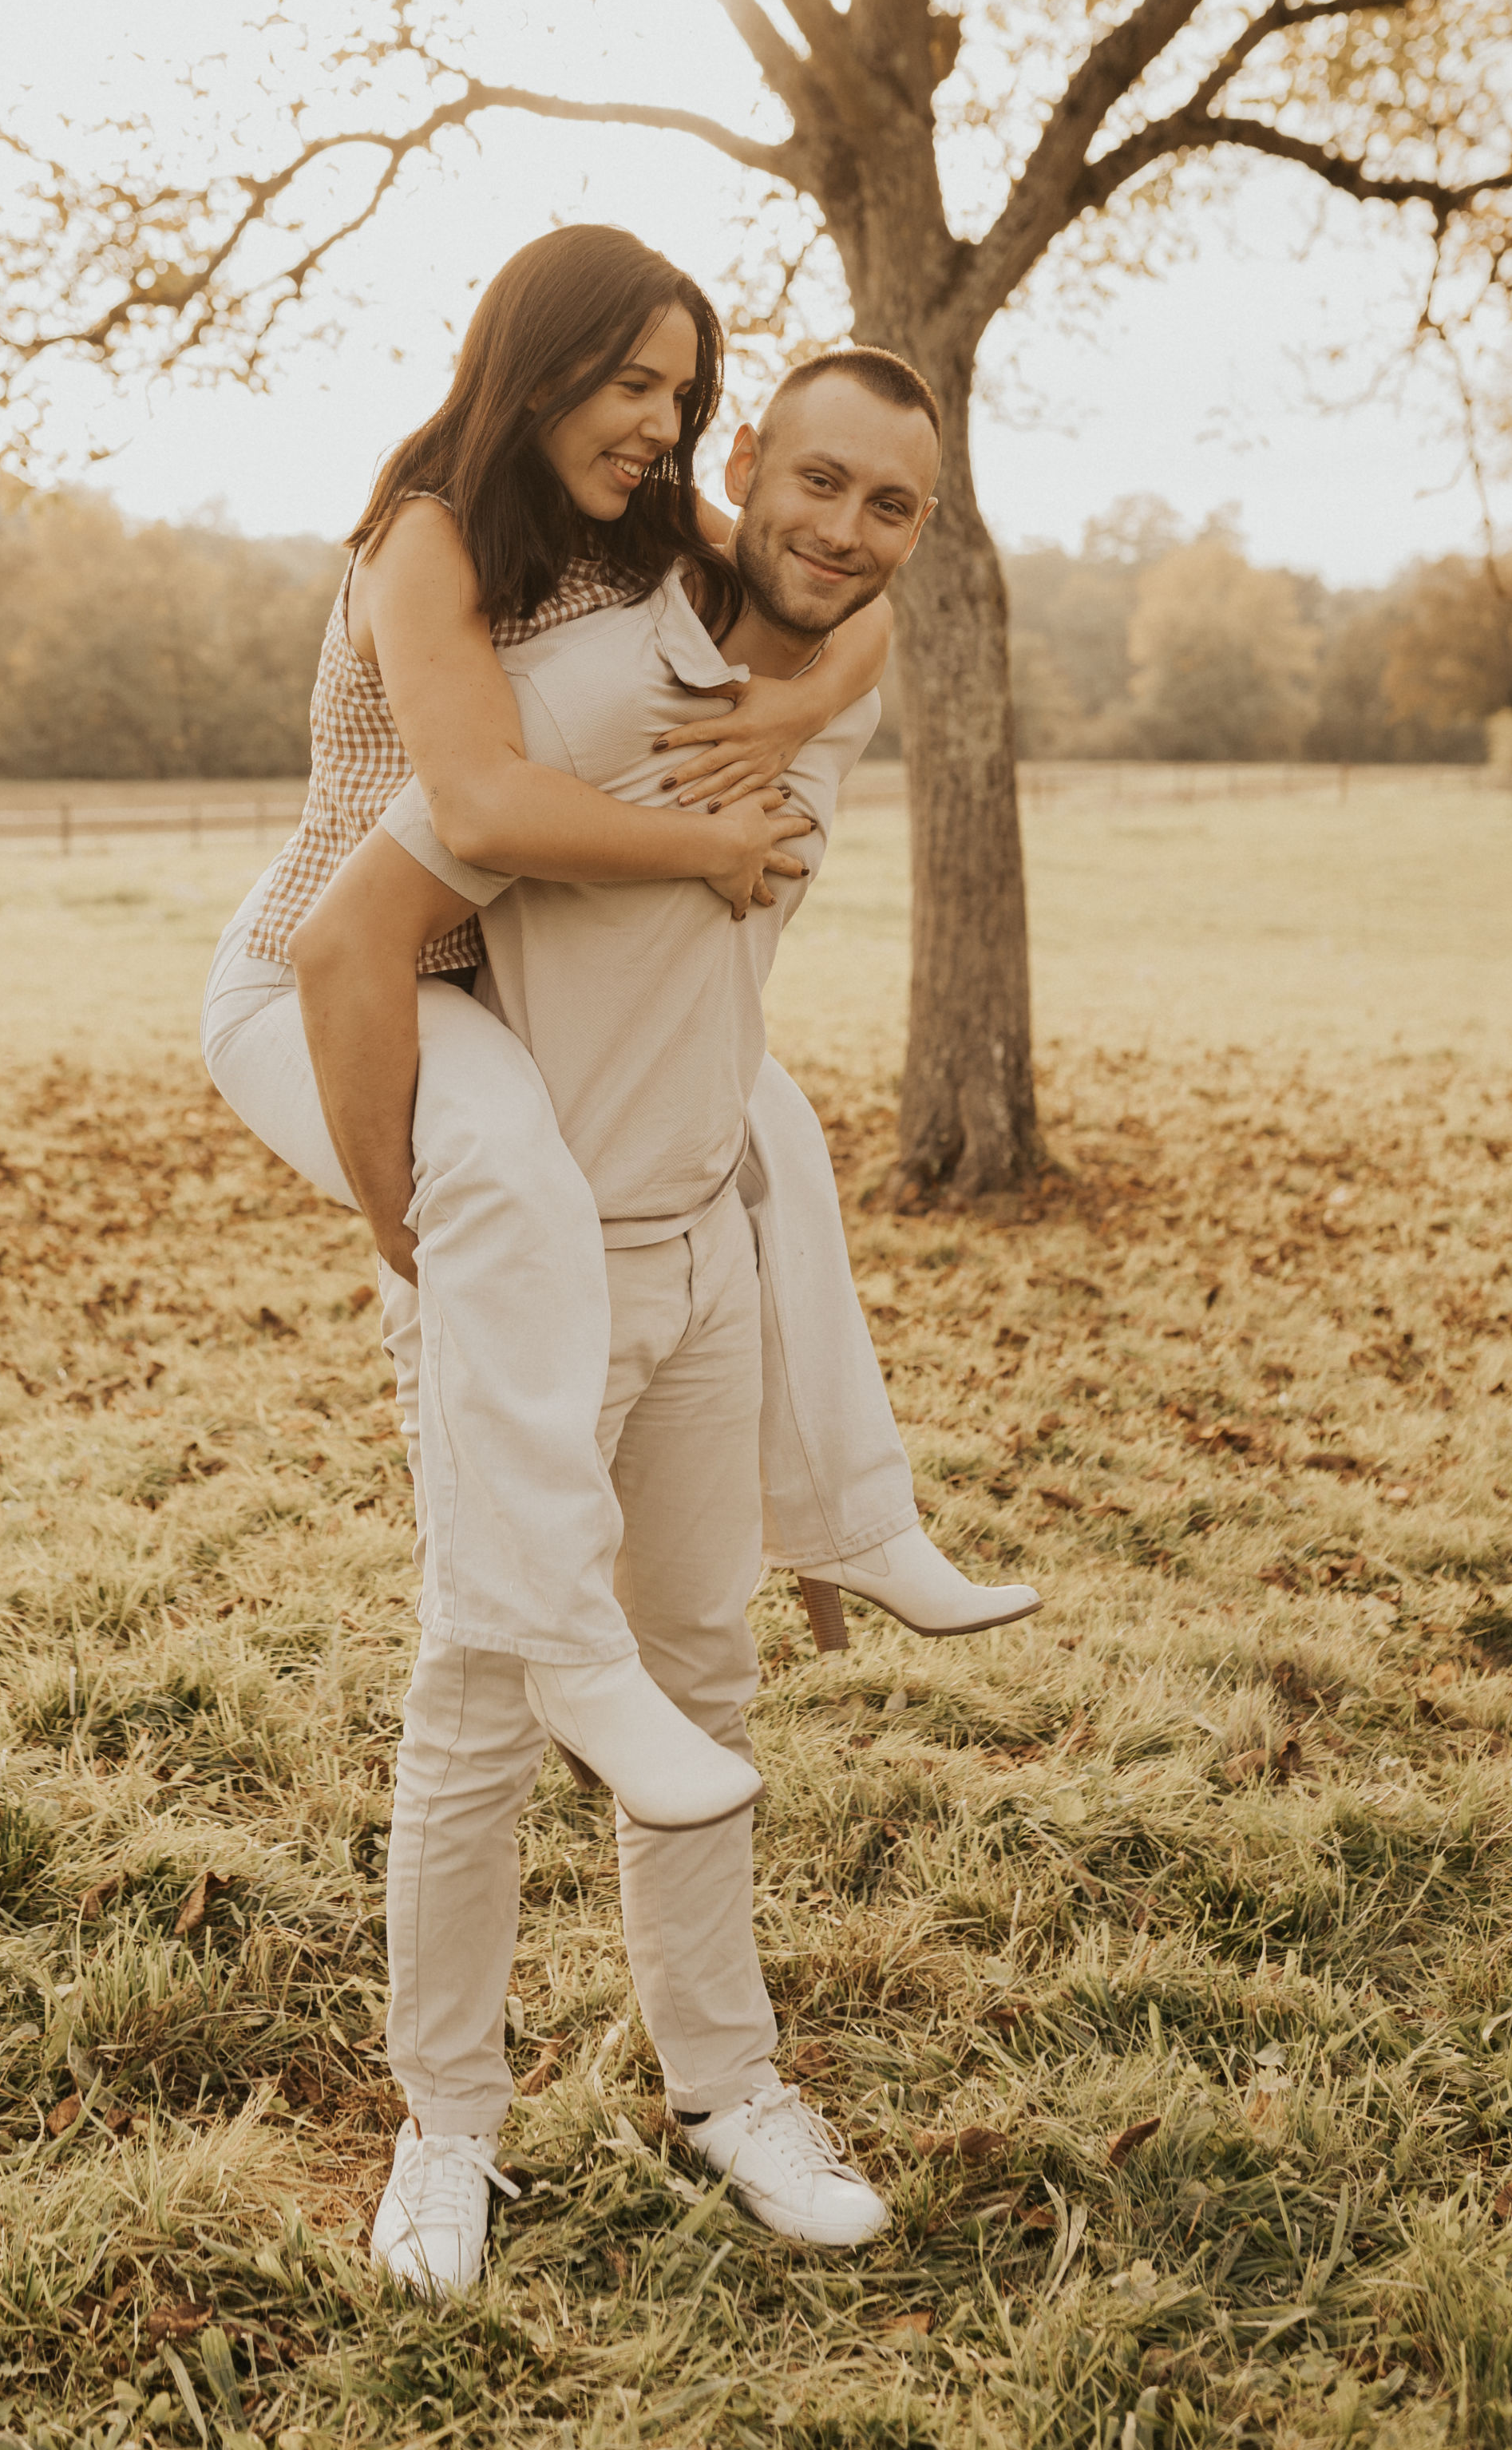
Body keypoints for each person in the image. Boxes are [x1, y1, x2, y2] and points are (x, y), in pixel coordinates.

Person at [198, 229, 1033, 1833]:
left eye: (683, 395)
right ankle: (570, 1643)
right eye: (632, 383)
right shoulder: (425, 537)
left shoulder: (635, 514)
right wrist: (706, 844)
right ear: (536, 371)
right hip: (325, 975)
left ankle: (858, 1517)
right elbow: (476, 804)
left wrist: (794, 708)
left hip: (469, 976)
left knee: (767, 1127)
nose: (661, 423)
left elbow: (835, 586)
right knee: (506, 1173)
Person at [296, 353, 963, 2290]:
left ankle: (724, 2086)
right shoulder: (583, 691)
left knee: (702, 1680)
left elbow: (845, 625)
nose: (843, 531)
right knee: (482, 1704)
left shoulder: (821, 673)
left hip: (700, 1245)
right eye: (813, 482)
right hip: (529, 1274)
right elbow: (355, 932)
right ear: (738, 464)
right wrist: (404, 1228)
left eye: (892, 506)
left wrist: (806, 691)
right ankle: (446, 2127)